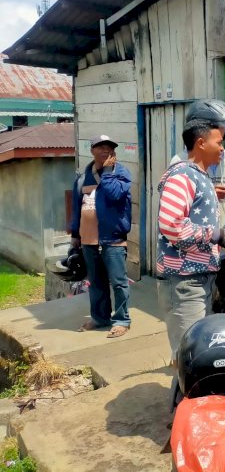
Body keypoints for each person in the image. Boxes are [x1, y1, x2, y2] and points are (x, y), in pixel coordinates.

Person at [157, 120, 225, 360]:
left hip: (199, 279)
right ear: (201, 143)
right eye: (219, 142)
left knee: (200, 354)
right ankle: (183, 397)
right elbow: (173, 226)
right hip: (184, 282)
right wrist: (217, 235)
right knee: (190, 355)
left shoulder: (200, 177)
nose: (223, 148)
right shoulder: (181, 176)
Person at [170, 99, 225, 315]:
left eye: (224, 131)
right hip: (197, 255)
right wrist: (208, 195)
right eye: (219, 130)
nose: (223, 137)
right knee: (200, 310)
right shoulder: (179, 163)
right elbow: (174, 215)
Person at [72, 135, 132, 338]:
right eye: (101, 147)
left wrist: (107, 171)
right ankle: (100, 317)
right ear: (92, 151)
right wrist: (75, 235)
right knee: (96, 282)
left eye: (109, 147)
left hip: (113, 238)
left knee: (118, 282)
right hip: (88, 239)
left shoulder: (121, 173)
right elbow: (76, 208)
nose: (105, 150)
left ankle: (122, 320)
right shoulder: (83, 177)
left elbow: (115, 194)